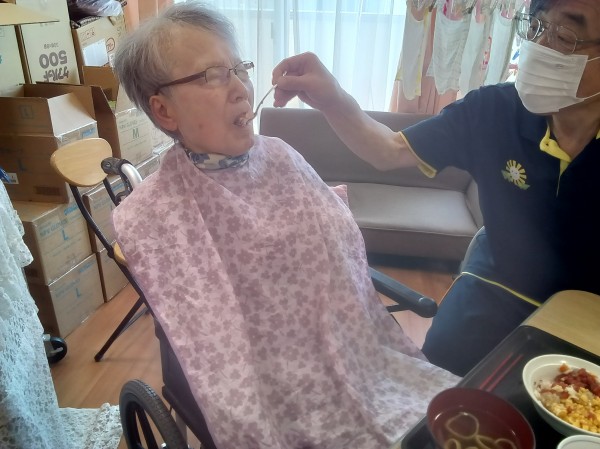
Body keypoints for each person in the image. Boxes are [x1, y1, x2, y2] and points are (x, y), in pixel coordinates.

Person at [111, 3, 458, 449]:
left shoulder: (282, 157)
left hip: (360, 364)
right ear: (164, 112)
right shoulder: (153, 214)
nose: (240, 87)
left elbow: (340, 256)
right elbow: (214, 350)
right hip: (275, 397)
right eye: (213, 75)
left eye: (240, 68)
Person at [271, 0, 600, 376]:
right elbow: (388, 150)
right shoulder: (493, 110)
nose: (541, 48)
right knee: (438, 377)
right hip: (497, 283)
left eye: (566, 36)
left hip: (588, 310)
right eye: (537, 27)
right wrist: (333, 100)